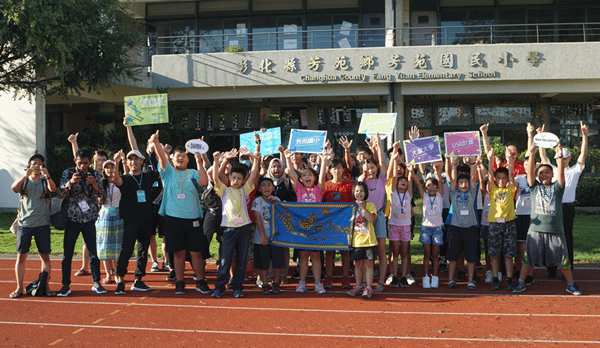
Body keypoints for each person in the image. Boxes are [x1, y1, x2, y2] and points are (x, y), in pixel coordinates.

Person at [512, 141, 582, 295]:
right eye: (541, 173)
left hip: (555, 230)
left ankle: (570, 284)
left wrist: (559, 154)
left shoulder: (557, 187)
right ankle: (521, 283)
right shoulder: (534, 187)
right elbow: (530, 172)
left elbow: (561, 172)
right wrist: (531, 153)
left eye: (547, 173)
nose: (544, 175)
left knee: (563, 260)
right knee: (528, 259)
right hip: (536, 231)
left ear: (552, 175)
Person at [150, 131, 210, 295]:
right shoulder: (168, 172)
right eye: (178, 156)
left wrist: (199, 162)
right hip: (173, 219)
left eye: (184, 156)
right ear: (173, 158)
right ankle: (180, 281)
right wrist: (156, 143)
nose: (181, 159)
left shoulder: (192, 172)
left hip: (193, 219)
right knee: (178, 252)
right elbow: (162, 158)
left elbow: (204, 183)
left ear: (188, 159)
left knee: (196, 253)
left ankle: (200, 281)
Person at [538, 121, 588, 278]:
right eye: (560, 156)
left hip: (567, 208)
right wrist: (540, 137)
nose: (563, 159)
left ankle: (568, 267)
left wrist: (585, 136)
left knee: (567, 237)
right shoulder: (551, 170)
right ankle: (551, 267)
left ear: (569, 158)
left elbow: (583, 155)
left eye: (565, 157)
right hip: (552, 207)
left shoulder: (574, 171)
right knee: (550, 237)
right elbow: (542, 155)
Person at [111, 147, 162, 294]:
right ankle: (120, 279)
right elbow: (116, 180)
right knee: (126, 250)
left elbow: (164, 170)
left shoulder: (148, 176)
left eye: (136, 159)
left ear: (141, 161)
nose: (133, 162)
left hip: (146, 220)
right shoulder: (126, 178)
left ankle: (138, 279)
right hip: (130, 221)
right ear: (127, 162)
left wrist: (159, 149)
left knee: (142, 252)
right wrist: (116, 163)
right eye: (131, 159)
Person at [211, 147, 260, 298]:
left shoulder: (245, 189)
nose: (235, 181)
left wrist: (255, 159)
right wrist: (221, 160)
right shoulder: (225, 190)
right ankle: (219, 287)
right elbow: (216, 177)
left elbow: (253, 174)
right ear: (230, 178)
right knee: (225, 260)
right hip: (229, 229)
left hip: (244, 228)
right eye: (233, 178)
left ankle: (237, 287)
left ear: (243, 180)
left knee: (241, 260)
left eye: (239, 178)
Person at [57, 148, 105, 296]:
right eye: (80, 163)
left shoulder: (95, 174)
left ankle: (96, 282)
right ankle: (65, 284)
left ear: (90, 162)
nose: (83, 166)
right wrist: (70, 182)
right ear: (75, 161)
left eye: (85, 163)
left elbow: (102, 196)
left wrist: (94, 184)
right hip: (72, 218)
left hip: (89, 218)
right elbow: (59, 194)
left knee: (93, 253)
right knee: (67, 254)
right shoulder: (68, 173)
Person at [9, 154, 57, 298]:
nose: (36, 166)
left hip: (42, 224)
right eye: (34, 163)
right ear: (29, 165)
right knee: (21, 257)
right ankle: (19, 288)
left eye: (39, 164)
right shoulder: (24, 182)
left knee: (45, 257)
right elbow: (13, 187)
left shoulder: (44, 182)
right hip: (25, 224)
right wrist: (25, 176)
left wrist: (47, 176)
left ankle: (46, 287)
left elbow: (53, 190)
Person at [285, 149, 328, 294]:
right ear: (301, 180)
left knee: (316, 256)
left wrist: (323, 161)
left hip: (315, 229)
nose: (307, 177)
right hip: (302, 229)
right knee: (303, 255)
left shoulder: (318, 190)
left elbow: (322, 177)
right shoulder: (299, 189)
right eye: (304, 175)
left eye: (310, 174)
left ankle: (317, 283)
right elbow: (291, 174)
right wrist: (288, 158)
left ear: (314, 178)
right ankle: (302, 282)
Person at [67, 133, 109, 277]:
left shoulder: (107, 173)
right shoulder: (87, 171)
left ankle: (108, 271)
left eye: (103, 160)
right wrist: (74, 143)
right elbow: (78, 159)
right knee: (86, 242)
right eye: (98, 160)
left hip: (101, 209)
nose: (100, 162)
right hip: (83, 212)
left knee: (102, 240)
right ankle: (85, 267)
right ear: (94, 161)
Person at [358, 134, 388, 293]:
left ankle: (381, 282)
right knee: (364, 251)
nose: (370, 169)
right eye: (366, 167)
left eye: (372, 166)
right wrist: (363, 171)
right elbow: (357, 189)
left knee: (381, 251)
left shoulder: (382, 179)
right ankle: (363, 281)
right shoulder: (362, 181)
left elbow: (382, 162)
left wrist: (378, 144)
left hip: (379, 217)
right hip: (363, 219)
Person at [486, 148, 517, 291]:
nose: (501, 181)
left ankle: (509, 278)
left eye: (503, 178)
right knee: (494, 254)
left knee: (509, 254)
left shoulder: (511, 188)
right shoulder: (492, 189)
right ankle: (495, 278)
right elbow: (489, 175)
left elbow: (511, 174)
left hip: (509, 224)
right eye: (498, 178)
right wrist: (490, 160)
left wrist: (510, 160)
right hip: (494, 224)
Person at [446, 155, 479, 290]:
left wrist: (472, 163)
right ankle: (450, 279)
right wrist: (454, 165)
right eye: (461, 183)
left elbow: (473, 179)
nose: (464, 184)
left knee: (471, 257)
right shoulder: (454, 193)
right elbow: (452, 180)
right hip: (455, 228)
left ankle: (470, 280)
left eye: (465, 182)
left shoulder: (472, 192)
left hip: (470, 228)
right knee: (453, 256)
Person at [322, 157, 354, 289]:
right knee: (329, 252)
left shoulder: (349, 185)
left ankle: (345, 278)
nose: (337, 170)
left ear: (343, 170)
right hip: (329, 224)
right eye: (334, 168)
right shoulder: (326, 185)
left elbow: (353, 204)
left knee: (345, 252)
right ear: (330, 170)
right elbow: (321, 204)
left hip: (345, 224)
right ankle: (329, 278)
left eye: (339, 168)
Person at [386, 154, 414, 288]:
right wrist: (395, 160)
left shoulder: (408, 194)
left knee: (404, 252)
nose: (403, 181)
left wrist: (410, 169)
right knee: (395, 253)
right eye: (400, 180)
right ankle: (395, 275)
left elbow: (409, 179)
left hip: (406, 226)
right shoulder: (393, 192)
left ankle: (403, 276)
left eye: (405, 180)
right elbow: (394, 176)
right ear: (395, 183)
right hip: (393, 225)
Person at [415, 160, 444, 289]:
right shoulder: (424, 197)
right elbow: (417, 183)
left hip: (437, 228)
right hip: (426, 228)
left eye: (433, 185)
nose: (431, 187)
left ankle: (435, 277)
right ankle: (426, 277)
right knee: (427, 255)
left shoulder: (440, 196)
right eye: (428, 186)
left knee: (435, 255)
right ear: (425, 187)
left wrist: (438, 171)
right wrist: (411, 171)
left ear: (437, 187)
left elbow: (441, 182)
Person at [251, 177, 283, 294]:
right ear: (259, 189)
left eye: (269, 185)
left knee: (277, 262)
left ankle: (276, 283)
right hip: (261, 239)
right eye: (263, 185)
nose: (266, 187)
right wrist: (263, 236)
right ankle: (265, 283)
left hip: (276, 238)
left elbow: (283, 216)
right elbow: (258, 219)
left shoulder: (276, 200)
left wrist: (277, 203)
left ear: (273, 188)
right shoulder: (258, 201)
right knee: (263, 263)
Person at [346, 181, 377, 299]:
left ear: (366, 192)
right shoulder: (351, 207)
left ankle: (368, 287)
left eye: (362, 191)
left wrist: (362, 207)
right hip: (356, 241)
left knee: (369, 263)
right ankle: (358, 286)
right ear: (354, 192)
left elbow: (370, 219)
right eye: (357, 190)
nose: (359, 193)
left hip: (369, 241)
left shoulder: (370, 205)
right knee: (357, 264)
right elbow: (348, 225)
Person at [95, 157, 124, 285]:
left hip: (118, 215)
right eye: (107, 167)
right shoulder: (100, 183)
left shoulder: (120, 181)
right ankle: (108, 273)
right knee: (105, 246)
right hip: (104, 216)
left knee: (118, 247)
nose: (110, 170)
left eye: (112, 167)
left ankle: (117, 273)